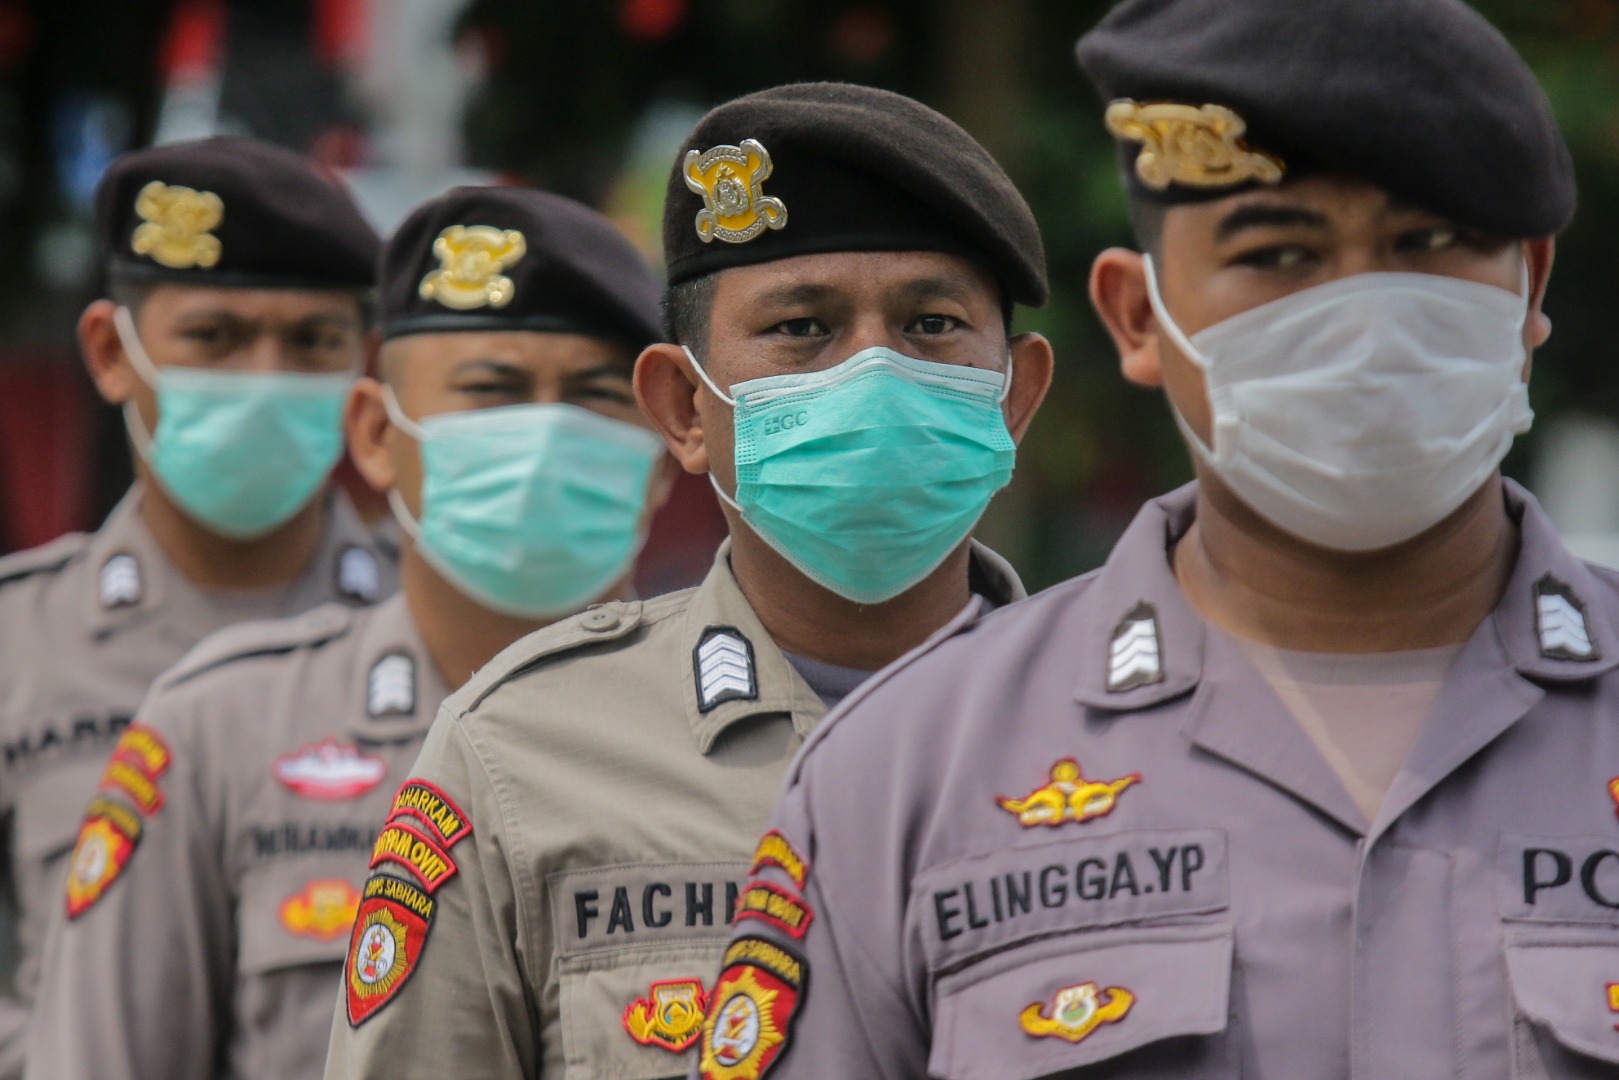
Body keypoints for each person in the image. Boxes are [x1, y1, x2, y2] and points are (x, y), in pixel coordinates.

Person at [696, 1, 1619, 1077]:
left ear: (1528, 289)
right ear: (1137, 318)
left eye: (1427, 245)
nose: (1364, 310)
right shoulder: (907, 773)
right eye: (1278, 251)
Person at [321, 81, 1053, 1080]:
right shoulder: (517, 760)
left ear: (1012, 397)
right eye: (801, 327)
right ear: (683, 410)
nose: (873, 375)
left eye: (930, 325)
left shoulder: (1135, 739)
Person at [24, 185, 675, 1080]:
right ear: (374, 433)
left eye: (595, 398)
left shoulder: (752, 741)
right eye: (494, 391)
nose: (542, 436)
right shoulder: (218, 731)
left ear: (669, 444)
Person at [0, 137, 394, 1078]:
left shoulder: (440, 636)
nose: (265, 375)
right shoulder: (17, 646)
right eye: (214, 337)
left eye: (311, 341)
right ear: (111, 352)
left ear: (360, 369)